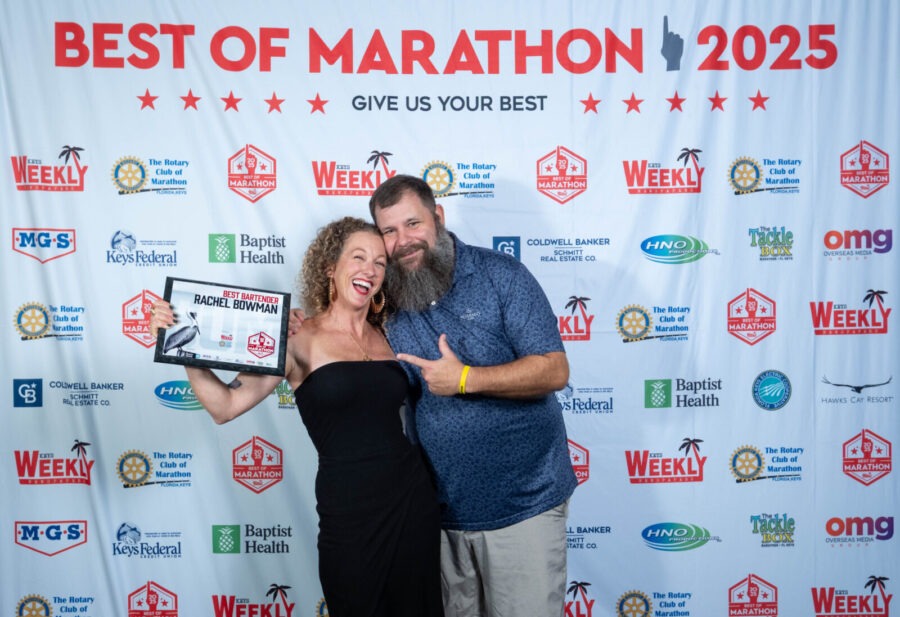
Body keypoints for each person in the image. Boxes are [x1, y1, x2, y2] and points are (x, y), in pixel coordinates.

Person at [149, 217, 442, 617]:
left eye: (378, 262)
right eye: (358, 257)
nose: (369, 270)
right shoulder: (296, 338)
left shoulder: (390, 332)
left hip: (412, 501)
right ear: (330, 268)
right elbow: (224, 407)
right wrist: (181, 349)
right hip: (350, 512)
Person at [370, 174, 577, 617]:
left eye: (413, 224)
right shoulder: (385, 300)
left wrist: (465, 378)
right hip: (440, 519)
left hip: (522, 507)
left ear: (438, 218)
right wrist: (296, 322)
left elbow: (554, 368)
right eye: (389, 231)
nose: (403, 241)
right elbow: (336, 330)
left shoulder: (501, 275)